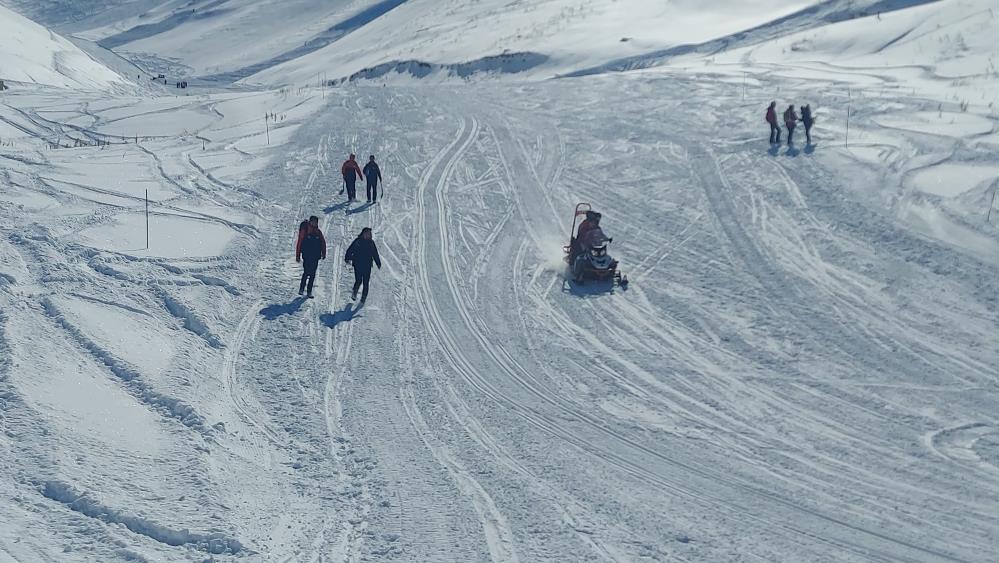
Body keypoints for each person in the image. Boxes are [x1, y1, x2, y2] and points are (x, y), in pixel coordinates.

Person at [344, 227, 381, 303]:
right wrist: (347, 258)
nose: (369, 235)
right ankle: (354, 292)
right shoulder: (358, 241)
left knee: (366, 282)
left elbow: (375, 253)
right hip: (358, 264)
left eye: (370, 234)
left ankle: (363, 299)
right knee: (358, 280)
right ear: (363, 234)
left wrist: (378, 262)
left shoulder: (371, 243)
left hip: (367, 265)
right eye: (367, 233)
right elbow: (350, 249)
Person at [296, 218, 327, 298]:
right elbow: (299, 242)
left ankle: (309, 291)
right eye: (313, 222)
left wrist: (323, 253)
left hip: (315, 256)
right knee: (306, 272)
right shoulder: (305, 231)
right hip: (306, 256)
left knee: (312, 274)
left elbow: (323, 243)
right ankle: (302, 289)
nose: (314, 224)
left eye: (315, 222)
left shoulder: (318, 232)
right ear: (310, 222)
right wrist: (298, 255)